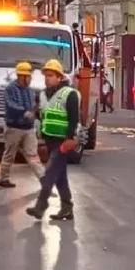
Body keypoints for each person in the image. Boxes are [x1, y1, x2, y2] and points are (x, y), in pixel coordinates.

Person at [26, 59, 80, 221]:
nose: (47, 78)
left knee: (49, 173)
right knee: (59, 176)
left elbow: (74, 118)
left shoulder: (69, 94)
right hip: (49, 139)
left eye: (50, 75)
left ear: (59, 77)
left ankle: (41, 206)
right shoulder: (43, 94)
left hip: (62, 141)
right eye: (45, 76)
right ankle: (67, 207)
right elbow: (43, 112)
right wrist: (33, 114)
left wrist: (70, 138)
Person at [0, 62, 45, 188]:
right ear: (21, 76)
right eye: (28, 76)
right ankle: (4, 178)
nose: (29, 79)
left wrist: (36, 113)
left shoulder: (30, 91)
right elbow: (11, 105)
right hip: (14, 127)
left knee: (33, 155)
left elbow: (33, 106)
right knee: (9, 154)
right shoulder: (10, 89)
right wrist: (24, 112)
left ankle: (44, 180)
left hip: (28, 128)